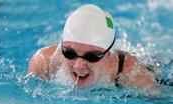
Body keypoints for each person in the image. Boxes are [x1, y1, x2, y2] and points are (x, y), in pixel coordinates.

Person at [28, 4, 158, 90]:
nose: (78, 66)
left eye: (92, 56)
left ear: (110, 54)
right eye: (70, 53)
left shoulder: (133, 76)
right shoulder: (43, 63)